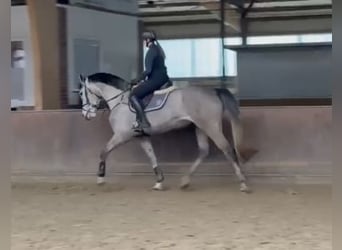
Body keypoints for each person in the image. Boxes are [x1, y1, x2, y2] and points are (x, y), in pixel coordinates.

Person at [129, 30, 169, 132]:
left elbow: (148, 70)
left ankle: (143, 122)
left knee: (133, 95)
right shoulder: (158, 50)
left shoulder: (151, 51)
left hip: (156, 80)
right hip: (163, 78)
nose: (143, 43)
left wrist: (135, 80)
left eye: (144, 40)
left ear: (147, 40)